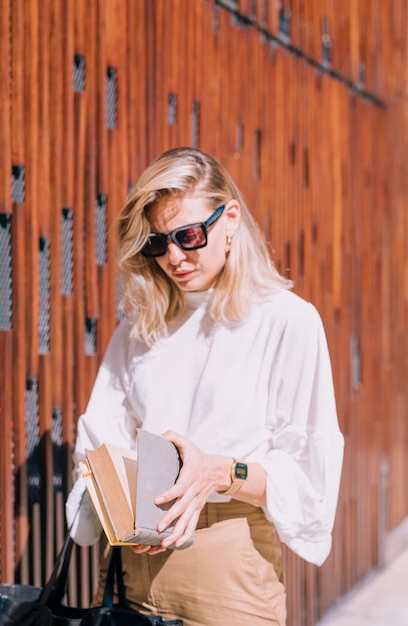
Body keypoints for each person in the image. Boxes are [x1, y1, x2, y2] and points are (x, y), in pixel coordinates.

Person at [66, 146, 344, 626]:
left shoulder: (286, 321)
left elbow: (307, 474)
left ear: (230, 218)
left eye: (189, 235)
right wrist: (120, 504)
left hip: (226, 566)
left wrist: (218, 472)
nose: (173, 256)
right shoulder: (141, 326)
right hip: (132, 567)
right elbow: (100, 438)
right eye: (156, 243)